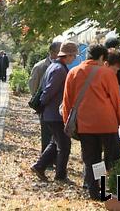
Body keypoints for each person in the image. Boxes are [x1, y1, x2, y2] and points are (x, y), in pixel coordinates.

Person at [62, 44, 120, 201]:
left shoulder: (73, 72)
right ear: (102, 58)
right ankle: (114, 187)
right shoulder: (106, 73)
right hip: (107, 124)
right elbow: (116, 100)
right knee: (114, 157)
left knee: (92, 159)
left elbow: (67, 102)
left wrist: (68, 123)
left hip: (85, 126)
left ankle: (95, 190)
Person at [30, 41, 78, 182]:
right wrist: (43, 105)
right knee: (64, 145)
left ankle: (39, 166)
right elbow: (49, 91)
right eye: (73, 56)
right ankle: (60, 176)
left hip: (52, 113)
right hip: (55, 114)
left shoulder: (54, 66)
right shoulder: (59, 70)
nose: (74, 59)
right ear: (67, 55)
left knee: (55, 143)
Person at [28, 41, 62, 154]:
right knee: (46, 134)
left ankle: (51, 158)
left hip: (58, 106)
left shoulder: (62, 65)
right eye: (60, 51)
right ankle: (45, 160)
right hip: (44, 105)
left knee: (56, 136)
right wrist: (39, 102)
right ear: (52, 52)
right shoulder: (40, 66)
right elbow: (33, 85)